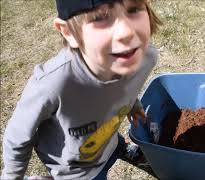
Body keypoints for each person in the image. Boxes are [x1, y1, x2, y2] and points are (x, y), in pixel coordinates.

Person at [1, 0, 162, 179]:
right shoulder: (53, 84)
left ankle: (121, 149)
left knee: (112, 145)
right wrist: (12, 176)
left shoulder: (144, 58)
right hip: (78, 170)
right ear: (69, 32)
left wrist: (134, 105)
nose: (127, 31)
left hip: (106, 137)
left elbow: (127, 88)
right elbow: (17, 138)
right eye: (100, 17)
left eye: (133, 9)